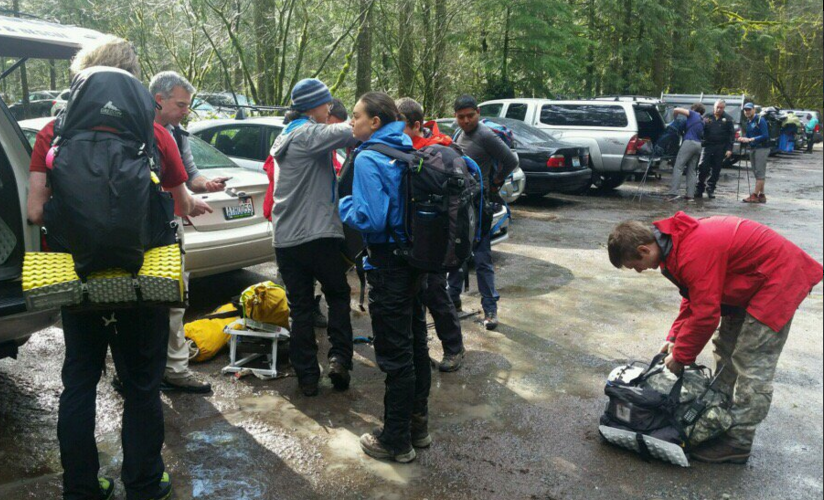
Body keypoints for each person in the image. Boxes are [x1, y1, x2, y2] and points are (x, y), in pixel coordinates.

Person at [26, 35, 201, 500]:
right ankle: (145, 482)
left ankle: (83, 487)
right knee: (142, 384)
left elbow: (35, 212)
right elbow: (181, 203)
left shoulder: (53, 132)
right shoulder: (152, 131)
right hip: (141, 278)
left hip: (78, 275)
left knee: (79, 379)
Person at [608, 212, 822, 464]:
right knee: (725, 348)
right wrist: (675, 336)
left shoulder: (690, 250)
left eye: (635, 266)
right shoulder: (672, 247)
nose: (638, 271)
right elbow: (694, 295)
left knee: (750, 363)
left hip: (778, 279)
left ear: (644, 250)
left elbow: (706, 314)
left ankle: (737, 443)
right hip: (749, 281)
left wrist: (681, 357)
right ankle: (716, 419)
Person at [340, 92, 431, 463]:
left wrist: (342, 203)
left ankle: (395, 440)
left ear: (375, 121)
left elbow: (371, 219)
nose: (352, 123)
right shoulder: (407, 149)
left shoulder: (369, 157)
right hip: (414, 262)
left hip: (388, 267)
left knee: (395, 356)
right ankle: (417, 427)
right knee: (416, 345)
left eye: (356, 116)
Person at [271, 78, 359, 397]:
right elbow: (352, 130)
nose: (329, 109)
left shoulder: (286, 134)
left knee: (301, 309)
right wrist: (368, 115)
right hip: (316, 236)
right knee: (337, 294)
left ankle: (307, 377)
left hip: (285, 240)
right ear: (314, 106)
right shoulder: (307, 132)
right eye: (326, 104)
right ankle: (339, 359)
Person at [148, 70, 221, 394]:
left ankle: (174, 370)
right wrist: (189, 202)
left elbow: (189, 176)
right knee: (138, 303)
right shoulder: (136, 130)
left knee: (175, 299)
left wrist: (206, 185)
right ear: (158, 99)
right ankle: (136, 370)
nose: (185, 111)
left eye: (188, 105)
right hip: (138, 231)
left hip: (168, 227)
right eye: (180, 104)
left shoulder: (176, 135)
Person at [396, 97, 466, 372]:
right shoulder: (404, 147)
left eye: (399, 125)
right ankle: (419, 347)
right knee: (412, 295)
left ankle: (454, 348)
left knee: (435, 291)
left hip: (431, 237)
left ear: (416, 125)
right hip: (409, 236)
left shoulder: (435, 152)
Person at [449, 95, 519, 331]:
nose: (466, 120)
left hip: (480, 207)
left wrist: (495, 183)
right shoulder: (459, 133)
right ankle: (453, 302)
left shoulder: (485, 135)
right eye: (461, 117)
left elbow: (511, 160)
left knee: (481, 258)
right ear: (455, 116)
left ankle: (490, 310)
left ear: (478, 112)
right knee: (458, 254)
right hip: (462, 205)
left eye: (470, 115)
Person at [695, 100, 735, 199]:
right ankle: (699, 188)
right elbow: (699, 129)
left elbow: (731, 135)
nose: (719, 109)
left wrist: (729, 149)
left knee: (716, 169)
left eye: (721, 107)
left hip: (720, 147)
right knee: (702, 167)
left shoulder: (728, 119)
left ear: (724, 108)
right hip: (707, 145)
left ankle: (710, 189)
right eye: (717, 107)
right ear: (714, 107)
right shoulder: (707, 117)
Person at [667, 103, 706, 202]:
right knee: (692, 170)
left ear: (694, 109)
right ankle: (690, 196)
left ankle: (673, 193)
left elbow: (676, 109)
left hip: (689, 143)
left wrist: (674, 118)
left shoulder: (693, 114)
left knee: (678, 167)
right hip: (698, 145)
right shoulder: (702, 120)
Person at [738, 102, 771, 203]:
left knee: (760, 173)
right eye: (745, 110)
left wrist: (751, 139)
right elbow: (748, 137)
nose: (747, 111)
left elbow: (765, 135)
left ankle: (754, 195)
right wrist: (743, 139)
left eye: (749, 109)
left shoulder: (760, 120)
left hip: (762, 149)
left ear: (754, 110)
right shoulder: (748, 121)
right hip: (753, 148)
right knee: (757, 173)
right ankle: (762, 195)